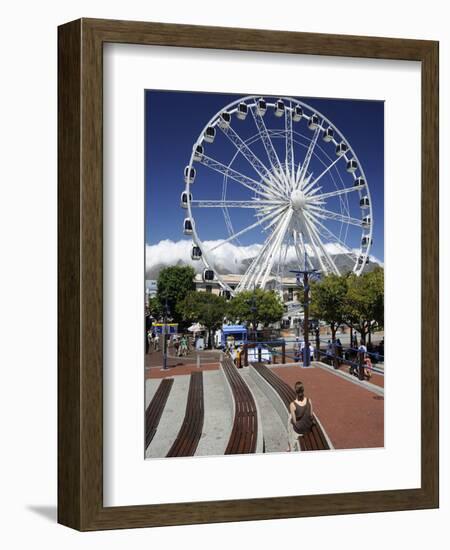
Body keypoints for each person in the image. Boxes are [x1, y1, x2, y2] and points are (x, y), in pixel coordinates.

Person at [287, 381, 314, 451]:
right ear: (303, 390)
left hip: (300, 430)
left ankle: (291, 445)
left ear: (295, 391)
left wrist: (292, 421)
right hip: (308, 427)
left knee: (289, 420)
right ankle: (289, 444)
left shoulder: (292, 404)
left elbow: (295, 422)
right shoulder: (309, 400)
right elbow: (311, 416)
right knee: (291, 419)